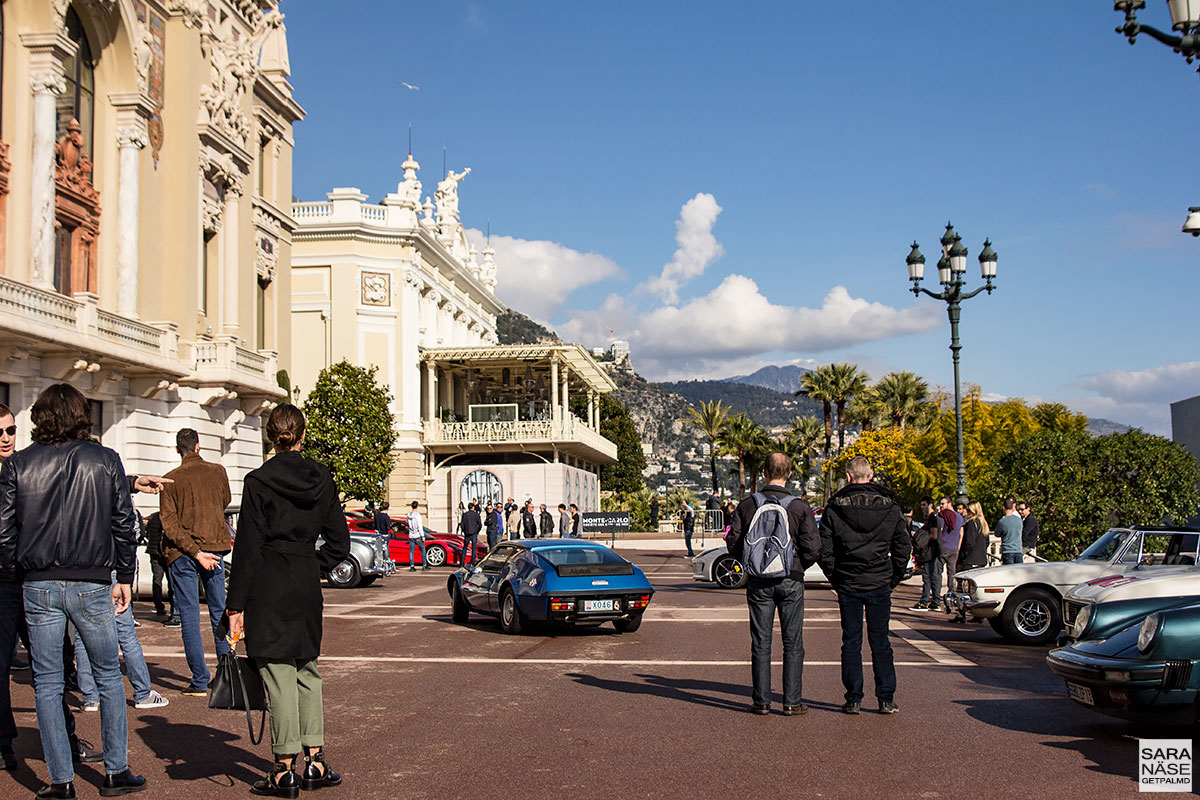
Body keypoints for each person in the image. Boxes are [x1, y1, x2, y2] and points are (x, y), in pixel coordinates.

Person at [0, 384, 148, 797]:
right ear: (82, 415)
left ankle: (61, 780)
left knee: (47, 682)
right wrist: (123, 577)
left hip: (39, 581)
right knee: (106, 677)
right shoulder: (105, 460)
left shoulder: (20, 464)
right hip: (91, 580)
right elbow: (124, 524)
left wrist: (19, 569)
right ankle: (115, 771)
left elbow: (4, 531)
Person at [227, 404, 350, 797]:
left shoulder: (258, 481)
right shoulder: (322, 477)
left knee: (278, 674)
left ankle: (283, 769)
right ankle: (314, 760)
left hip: (269, 580)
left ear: (270, 436)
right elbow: (340, 542)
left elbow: (247, 547)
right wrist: (315, 565)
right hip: (304, 578)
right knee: (307, 670)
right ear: (302, 434)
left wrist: (235, 605)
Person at [726, 453, 819, 716]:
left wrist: (751, 564)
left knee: (761, 642)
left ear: (764, 472)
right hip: (790, 579)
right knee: (793, 642)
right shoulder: (799, 507)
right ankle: (791, 702)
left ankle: (762, 701)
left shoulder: (747, 505)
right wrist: (797, 567)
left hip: (758, 581)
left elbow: (733, 542)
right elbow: (813, 548)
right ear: (789, 474)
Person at [819, 456, 911, 716]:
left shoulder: (835, 507)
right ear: (870, 475)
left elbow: (825, 550)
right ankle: (885, 698)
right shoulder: (890, 507)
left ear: (849, 476)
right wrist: (893, 576)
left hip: (848, 580)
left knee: (851, 641)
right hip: (879, 580)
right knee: (881, 640)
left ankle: (853, 698)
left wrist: (835, 577)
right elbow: (903, 546)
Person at [160, 428, 233, 696]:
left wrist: (192, 549)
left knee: (189, 616)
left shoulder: (171, 480)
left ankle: (199, 679)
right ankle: (226, 674)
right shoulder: (218, 471)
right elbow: (225, 500)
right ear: (198, 446)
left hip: (183, 553)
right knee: (219, 610)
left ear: (178, 449)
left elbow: (169, 524)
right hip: (215, 547)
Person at [144, 512, 177, 625]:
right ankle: (174, 610)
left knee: (157, 580)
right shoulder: (169, 516)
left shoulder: (152, 517)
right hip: (166, 553)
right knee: (171, 582)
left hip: (153, 551)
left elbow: (147, 532)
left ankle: (159, 607)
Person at [909, 498, 942, 611]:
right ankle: (935, 601)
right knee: (932, 576)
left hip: (931, 551)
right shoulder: (931, 518)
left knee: (928, 576)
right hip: (931, 551)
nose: (922, 507)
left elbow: (934, 535)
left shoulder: (933, 518)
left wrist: (921, 537)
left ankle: (925, 601)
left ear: (930, 505)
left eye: (924, 505)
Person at [937, 497, 964, 606]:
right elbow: (961, 533)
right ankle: (952, 593)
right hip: (953, 548)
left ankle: (937, 594)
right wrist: (958, 546)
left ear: (950, 503)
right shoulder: (959, 517)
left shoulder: (943, 516)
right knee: (951, 573)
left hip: (943, 547)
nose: (941, 505)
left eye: (943, 503)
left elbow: (940, 530)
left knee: (937, 571)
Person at [958, 501, 990, 570]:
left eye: (968, 510)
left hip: (970, 560)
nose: (966, 512)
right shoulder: (984, 524)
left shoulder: (972, 524)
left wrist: (962, 556)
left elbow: (969, 543)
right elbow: (987, 542)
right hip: (981, 560)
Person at [996, 497, 1024, 565]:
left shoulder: (1002, 521)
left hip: (1007, 550)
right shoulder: (1019, 520)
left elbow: (997, 534)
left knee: (1009, 572)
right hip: (1018, 550)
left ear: (1003, 507)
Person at [406, 501, 428, 571]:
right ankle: (424, 565)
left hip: (411, 535)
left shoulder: (409, 515)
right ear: (417, 506)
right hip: (417, 535)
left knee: (411, 551)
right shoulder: (417, 515)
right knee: (422, 550)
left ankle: (412, 566)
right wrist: (423, 535)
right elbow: (419, 526)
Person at [460, 502, 482, 567]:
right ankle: (472, 563)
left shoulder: (465, 514)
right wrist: (477, 531)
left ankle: (462, 563)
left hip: (467, 533)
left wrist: (465, 531)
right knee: (473, 548)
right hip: (474, 533)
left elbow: (462, 525)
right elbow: (480, 524)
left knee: (465, 548)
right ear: (473, 507)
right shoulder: (476, 515)